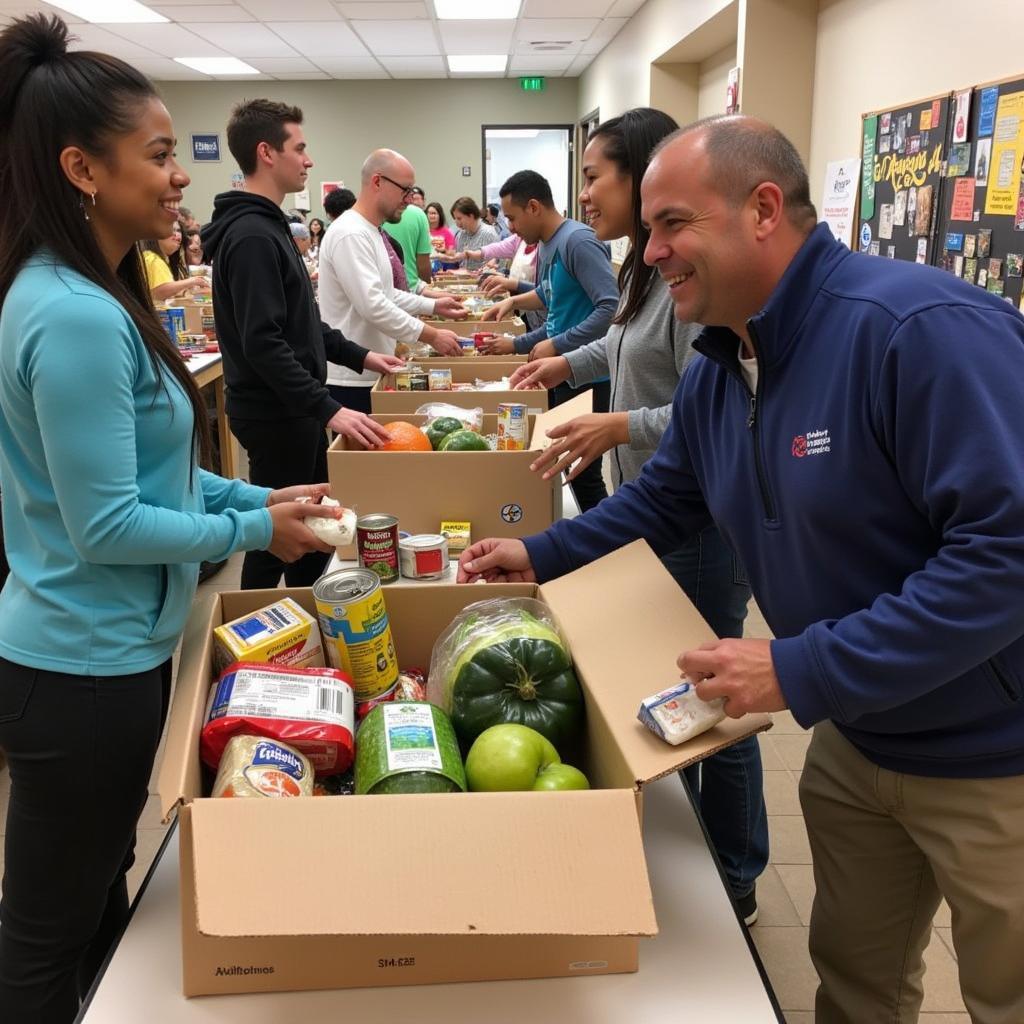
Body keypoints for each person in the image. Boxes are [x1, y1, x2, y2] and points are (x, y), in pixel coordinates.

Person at [459, 114, 1024, 1024]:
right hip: (859, 736)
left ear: (763, 209)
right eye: (648, 229)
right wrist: (537, 552)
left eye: (672, 224)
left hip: (995, 755)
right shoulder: (723, 365)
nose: (652, 251)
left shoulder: (915, 331)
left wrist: (797, 667)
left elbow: (1006, 555)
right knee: (857, 983)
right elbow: (664, 497)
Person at [0, 16, 343, 1022]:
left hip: (112, 656)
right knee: (43, 928)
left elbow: (155, 480)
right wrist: (253, 533)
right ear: (81, 169)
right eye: (157, 153)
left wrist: (254, 499)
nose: (179, 173)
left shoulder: (100, 291)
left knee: (97, 895)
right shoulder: (67, 313)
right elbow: (108, 526)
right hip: (79, 669)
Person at [510, 107, 768, 924]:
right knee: (681, 697)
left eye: (596, 175)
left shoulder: (694, 289)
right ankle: (696, 858)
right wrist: (561, 359)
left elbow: (702, 417)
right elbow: (623, 353)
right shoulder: (642, 273)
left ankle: (733, 873)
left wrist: (619, 425)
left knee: (710, 707)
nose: (585, 192)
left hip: (695, 529)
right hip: (650, 510)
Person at [202, 99, 405, 590]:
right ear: (266, 153)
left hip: (293, 409)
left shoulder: (268, 225)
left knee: (312, 530)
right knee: (276, 539)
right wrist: (328, 408)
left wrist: (360, 355)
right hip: (277, 414)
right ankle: (251, 637)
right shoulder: (251, 235)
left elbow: (304, 325)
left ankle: (312, 623)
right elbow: (264, 343)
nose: (309, 160)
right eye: (301, 148)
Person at [482, 169, 618, 513]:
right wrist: (513, 303)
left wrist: (558, 344)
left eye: (512, 218)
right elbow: (552, 295)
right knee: (569, 464)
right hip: (562, 371)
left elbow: (610, 307)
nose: (510, 227)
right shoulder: (547, 243)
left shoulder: (578, 241)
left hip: (589, 373)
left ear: (533, 207)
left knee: (585, 472)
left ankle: (604, 545)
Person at [317, 149, 467, 413]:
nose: (410, 200)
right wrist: (431, 335)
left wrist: (433, 306)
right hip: (352, 377)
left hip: (374, 367)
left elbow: (387, 294)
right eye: (405, 190)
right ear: (377, 182)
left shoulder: (371, 231)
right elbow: (372, 304)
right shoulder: (350, 234)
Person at [139, 221, 200, 301]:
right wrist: (193, 281)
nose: (177, 234)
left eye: (178, 230)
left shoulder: (158, 259)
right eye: (172, 230)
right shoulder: (152, 259)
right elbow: (159, 292)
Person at [383, 199, 433, 290]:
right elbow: (423, 264)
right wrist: (429, 288)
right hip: (411, 290)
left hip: (381, 291)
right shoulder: (418, 214)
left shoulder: (374, 214)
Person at [449, 196, 498, 269]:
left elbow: (496, 262)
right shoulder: (460, 235)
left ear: (471, 216)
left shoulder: (489, 233)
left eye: (459, 218)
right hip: (462, 278)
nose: (457, 223)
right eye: (455, 219)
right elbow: (457, 261)